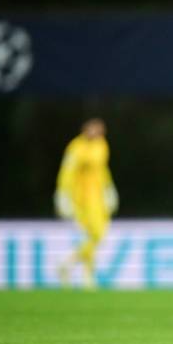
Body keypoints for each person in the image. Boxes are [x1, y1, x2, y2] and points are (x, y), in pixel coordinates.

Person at [55, 118, 118, 289]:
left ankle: (82, 274)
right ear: (85, 129)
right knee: (96, 235)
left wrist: (108, 189)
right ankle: (75, 269)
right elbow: (66, 172)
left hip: (97, 198)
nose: (97, 134)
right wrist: (62, 194)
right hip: (81, 199)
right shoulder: (76, 147)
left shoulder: (101, 145)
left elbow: (103, 170)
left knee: (94, 237)